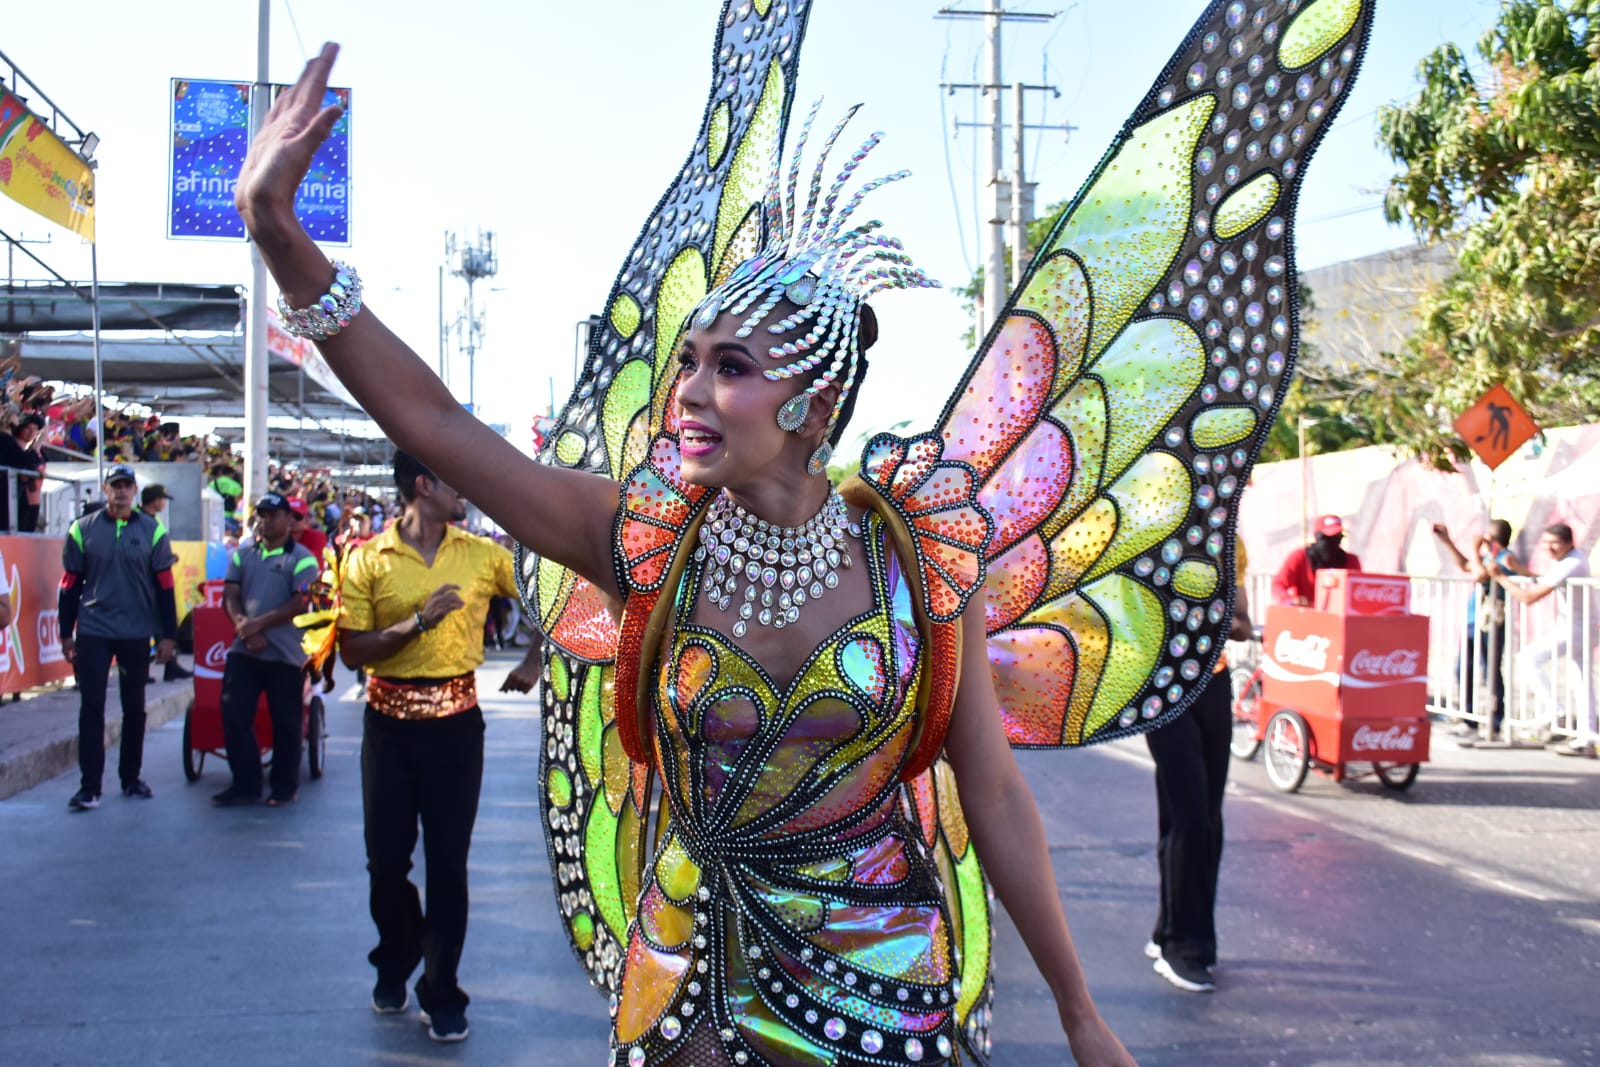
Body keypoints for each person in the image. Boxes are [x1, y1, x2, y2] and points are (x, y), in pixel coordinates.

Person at [239, 46, 1138, 1065]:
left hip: (881, 970)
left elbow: (995, 792)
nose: (690, 392)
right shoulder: (646, 541)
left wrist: (1079, 1010)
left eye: (732, 368)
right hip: (689, 976)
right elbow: (440, 424)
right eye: (689, 364)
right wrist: (281, 236)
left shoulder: (916, 556)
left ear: (815, 404)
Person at [336, 450, 540, 1043]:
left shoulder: (483, 554)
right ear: (422, 486)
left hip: (457, 729)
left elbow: (552, 602)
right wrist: (415, 624)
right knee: (386, 864)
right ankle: (395, 956)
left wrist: (532, 659)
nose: (466, 492)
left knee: (448, 865)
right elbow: (352, 651)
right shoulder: (369, 559)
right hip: (389, 730)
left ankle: (442, 988)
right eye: (455, 480)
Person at [1144, 541, 1252, 992]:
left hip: (1214, 682)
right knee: (1189, 817)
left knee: (1203, 817)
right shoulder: (1151, 535)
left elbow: (1243, 625)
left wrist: (1217, 614)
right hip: (1162, 684)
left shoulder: (1230, 543)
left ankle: (1170, 929)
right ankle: (1182, 947)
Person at [58, 463, 178, 811]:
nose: (122, 491)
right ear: (105, 489)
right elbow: (69, 586)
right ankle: (89, 787)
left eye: (127, 485)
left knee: (134, 707)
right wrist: (66, 633)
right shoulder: (82, 530)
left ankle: (131, 777)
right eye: (116, 485)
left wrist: (168, 635)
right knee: (91, 706)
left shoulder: (153, 531)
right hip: (94, 630)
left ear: (135, 491)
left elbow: (165, 587)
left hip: (136, 631)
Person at [212, 492, 318, 807]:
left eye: (273, 515)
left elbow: (300, 602)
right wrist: (244, 628)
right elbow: (230, 595)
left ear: (288, 520)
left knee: (287, 722)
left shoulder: (303, 558)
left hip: (286, 655)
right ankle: (245, 784)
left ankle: (284, 788)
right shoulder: (243, 555)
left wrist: (258, 625)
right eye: (262, 514)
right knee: (234, 714)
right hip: (245, 651)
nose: (266, 520)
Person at [1496, 523, 1595, 757]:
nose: (1549, 548)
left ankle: (1556, 710)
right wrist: (1519, 569)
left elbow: (1530, 596)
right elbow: (1544, 580)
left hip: (1576, 627)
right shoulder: (1571, 559)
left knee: (1528, 657)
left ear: (1569, 542)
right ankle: (1587, 737)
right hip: (1579, 626)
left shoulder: (1572, 563)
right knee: (1581, 680)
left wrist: (1500, 577)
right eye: (1547, 542)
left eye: (1555, 543)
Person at [1432, 520, 1519, 740]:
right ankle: (1469, 720)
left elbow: (1480, 574)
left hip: (1491, 622)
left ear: (1492, 538)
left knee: (1490, 671)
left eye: (1485, 535)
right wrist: (1447, 541)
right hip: (1474, 620)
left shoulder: (1505, 558)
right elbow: (1466, 565)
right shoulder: (1487, 557)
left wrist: (1474, 548)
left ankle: (1495, 723)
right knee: (1464, 669)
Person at [1272, 514, 1364, 606]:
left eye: (1337, 537)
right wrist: (1291, 600)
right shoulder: (1299, 557)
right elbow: (1277, 585)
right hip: (1307, 616)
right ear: (1316, 537)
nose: (1333, 543)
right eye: (1327, 538)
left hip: (1339, 617)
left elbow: (1360, 593)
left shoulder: (1351, 561)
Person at [287, 495, 329, 562]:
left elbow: (312, 562)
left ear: (307, 520)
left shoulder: (317, 537)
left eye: (298, 516)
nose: (292, 520)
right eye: (287, 515)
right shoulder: (271, 536)